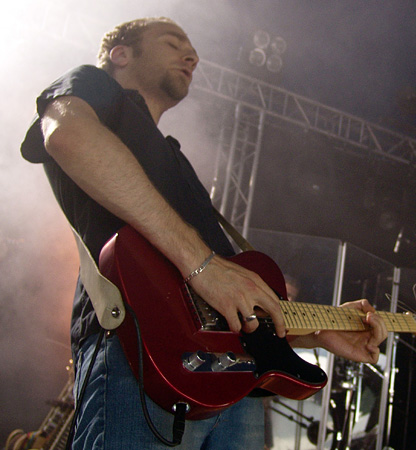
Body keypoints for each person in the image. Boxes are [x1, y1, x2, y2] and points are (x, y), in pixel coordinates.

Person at [20, 17, 387, 450]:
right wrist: (203, 264)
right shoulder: (90, 84)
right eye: (173, 43)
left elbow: (215, 304)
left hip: (233, 378)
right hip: (137, 355)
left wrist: (316, 331)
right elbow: (68, 134)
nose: (192, 56)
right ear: (121, 55)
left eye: (192, 49)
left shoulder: (174, 157)